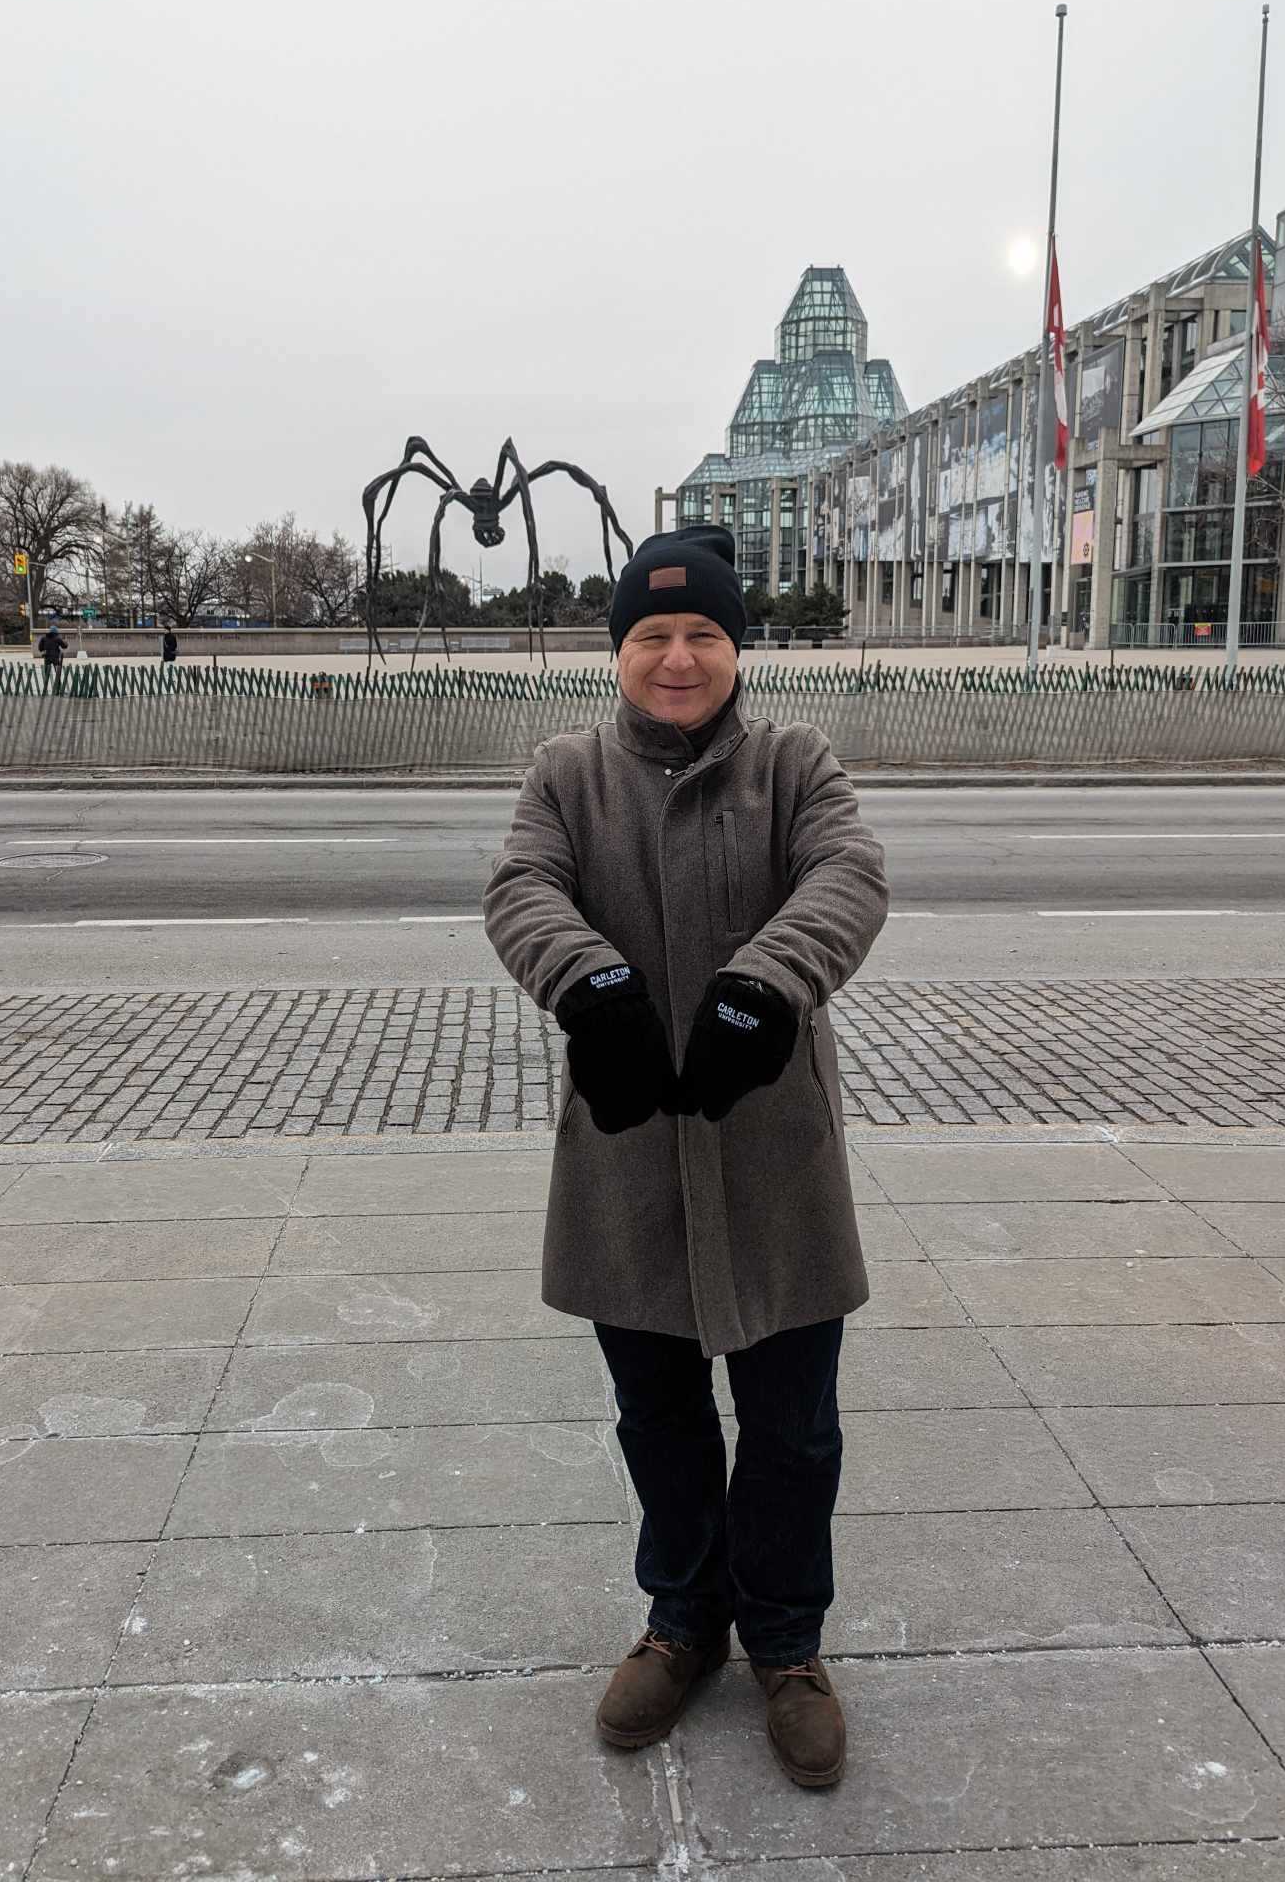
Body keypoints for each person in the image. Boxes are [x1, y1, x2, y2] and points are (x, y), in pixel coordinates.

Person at [483, 523, 888, 1788]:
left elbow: (848, 876)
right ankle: (683, 1619)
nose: (677, 657)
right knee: (656, 1418)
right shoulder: (567, 774)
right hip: (630, 1154)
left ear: (736, 647)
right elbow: (520, 888)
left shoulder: (793, 764)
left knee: (794, 1430)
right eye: (652, 634)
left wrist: (764, 988)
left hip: (772, 1156)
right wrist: (591, 985)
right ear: (618, 650)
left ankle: (787, 1643)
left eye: (702, 632)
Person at [37, 621, 66, 686]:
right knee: (57, 672)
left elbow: (40, 648)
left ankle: (45, 686)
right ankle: (58, 686)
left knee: (47, 673)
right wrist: (65, 642)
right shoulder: (57, 639)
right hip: (55, 657)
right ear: (56, 632)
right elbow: (64, 646)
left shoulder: (44, 638)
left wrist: (45, 648)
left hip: (47, 657)